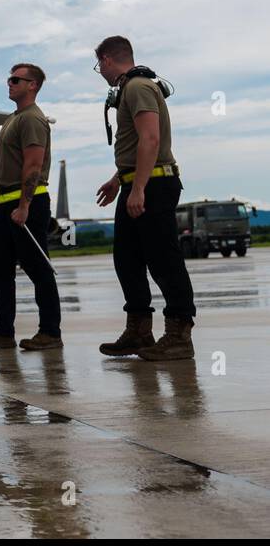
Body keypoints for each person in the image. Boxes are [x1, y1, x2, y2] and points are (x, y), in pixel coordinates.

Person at [93, 36, 195, 361]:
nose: (100, 72)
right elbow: (138, 143)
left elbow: (151, 139)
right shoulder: (131, 88)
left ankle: (179, 334)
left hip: (153, 185)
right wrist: (118, 180)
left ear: (108, 59)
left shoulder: (137, 87)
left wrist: (137, 188)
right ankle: (139, 330)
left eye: (99, 65)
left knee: (163, 260)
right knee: (127, 259)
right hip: (137, 182)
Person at [0, 64, 63, 350]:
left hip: (27, 206)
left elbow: (33, 165)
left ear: (32, 85)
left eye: (15, 79)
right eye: (9, 78)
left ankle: (50, 333)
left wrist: (25, 205)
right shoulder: (13, 118)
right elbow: (8, 165)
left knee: (37, 268)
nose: (9, 83)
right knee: (1, 270)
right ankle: (2, 331)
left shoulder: (33, 119)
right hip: (6, 204)